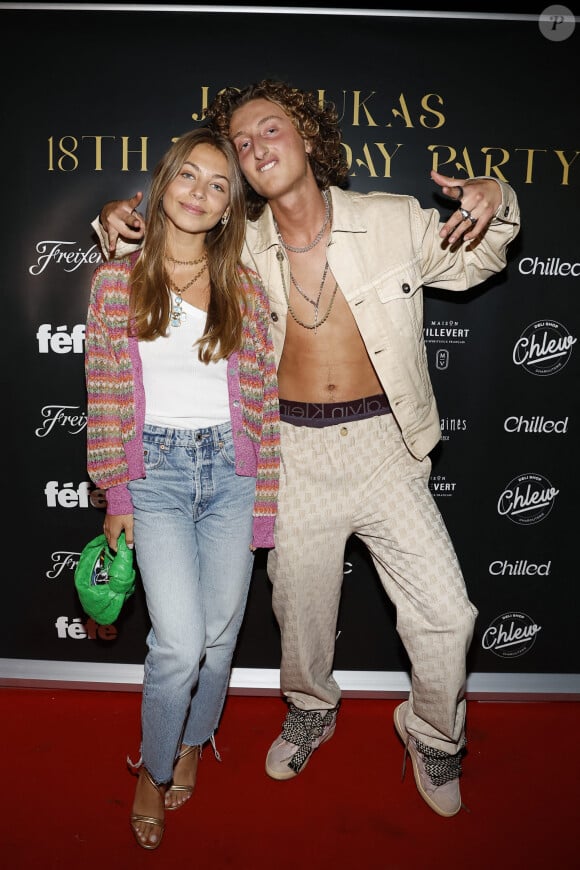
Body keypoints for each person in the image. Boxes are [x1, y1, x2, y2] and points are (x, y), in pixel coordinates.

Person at [92, 78, 520, 819]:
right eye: (243, 143)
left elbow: (479, 260)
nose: (258, 147)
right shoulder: (240, 245)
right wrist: (116, 213)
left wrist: (497, 198)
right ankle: (310, 709)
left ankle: (433, 736)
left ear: (309, 137)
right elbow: (177, 221)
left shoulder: (391, 220)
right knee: (302, 611)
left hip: (387, 448)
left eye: (271, 129)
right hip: (291, 452)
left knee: (448, 613)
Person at [85, 125, 280, 850]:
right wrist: (117, 494)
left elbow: (261, 404)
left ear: (231, 206)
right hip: (155, 473)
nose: (200, 192)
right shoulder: (116, 282)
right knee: (178, 643)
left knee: (222, 634)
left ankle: (197, 739)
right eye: (188, 176)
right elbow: (103, 394)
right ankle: (153, 765)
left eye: (218, 183)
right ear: (164, 185)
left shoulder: (246, 286)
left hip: (233, 472)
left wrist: (264, 497)